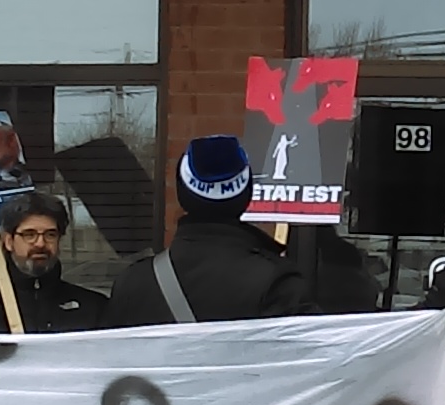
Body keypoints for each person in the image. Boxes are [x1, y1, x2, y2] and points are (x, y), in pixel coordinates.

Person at [102, 136, 313, 325]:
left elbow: (113, 362)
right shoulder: (278, 282)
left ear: (182, 192)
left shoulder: (133, 284)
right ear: (245, 194)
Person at [0, 193, 108, 334]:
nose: (40, 243)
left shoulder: (94, 308)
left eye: (50, 235)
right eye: (29, 234)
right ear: (8, 241)